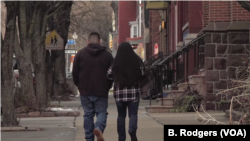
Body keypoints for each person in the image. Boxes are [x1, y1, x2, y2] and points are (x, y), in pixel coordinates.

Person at [72, 32, 113, 141]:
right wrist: (108, 86)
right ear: (100, 42)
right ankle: (99, 127)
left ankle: (89, 138)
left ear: (88, 41)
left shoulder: (80, 54)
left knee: (88, 115)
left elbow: (75, 73)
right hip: (101, 90)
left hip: (85, 90)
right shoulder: (107, 55)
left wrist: (79, 86)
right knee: (101, 112)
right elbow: (112, 74)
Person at [107, 42, 146, 141]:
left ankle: (121, 137)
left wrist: (116, 79)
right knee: (133, 114)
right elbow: (143, 73)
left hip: (119, 94)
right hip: (134, 93)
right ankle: (132, 129)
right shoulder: (137, 59)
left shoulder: (116, 61)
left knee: (121, 115)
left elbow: (108, 74)